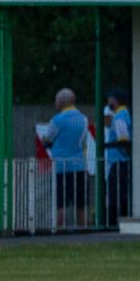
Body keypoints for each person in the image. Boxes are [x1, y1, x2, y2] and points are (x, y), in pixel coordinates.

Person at [47, 90, 90, 228]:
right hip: (79, 166)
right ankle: (83, 231)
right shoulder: (84, 119)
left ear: (61, 102)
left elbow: (47, 139)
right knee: (81, 204)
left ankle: (61, 233)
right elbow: (84, 140)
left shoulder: (56, 120)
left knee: (61, 205)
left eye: (56, 101)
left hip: (61, 167)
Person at [101, 89, 133, 221]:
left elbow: (123, 139)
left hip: (119, 163)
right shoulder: (128, 114)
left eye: (110, 98)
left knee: (114, 195)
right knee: (124, 194)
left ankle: (112, 223)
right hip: (125, 162)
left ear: (115, 100)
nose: (108, 101)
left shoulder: (119, 117)